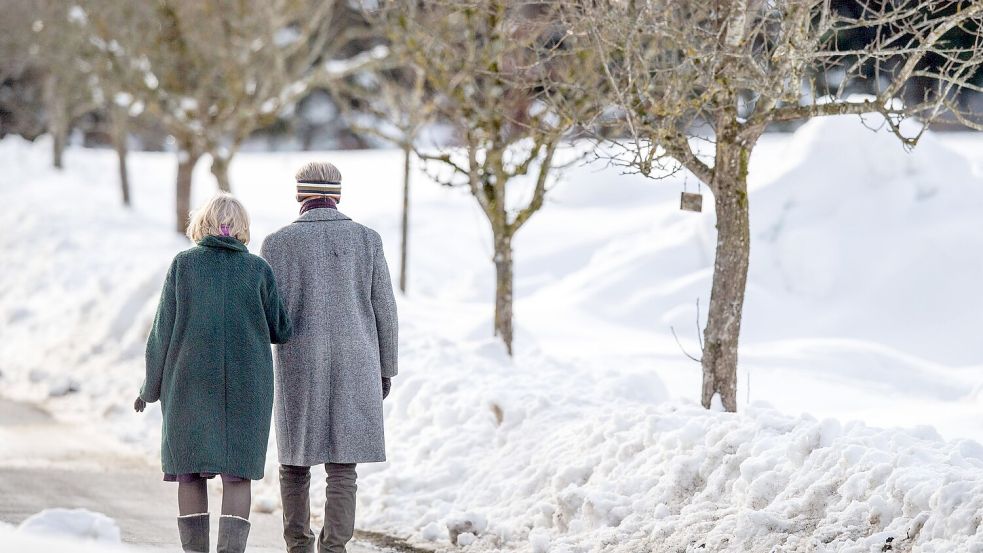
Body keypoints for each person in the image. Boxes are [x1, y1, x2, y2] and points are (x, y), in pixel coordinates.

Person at [135, 193, 292, 553]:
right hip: (247, 388)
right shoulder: (258, 270)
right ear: (242, 228)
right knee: (238, 476)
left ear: (201, 224)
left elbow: (161, 332)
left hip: (189, 385)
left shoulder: (183, 266)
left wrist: (149, 388)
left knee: (189, 473)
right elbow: (281, 330)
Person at [261, 161, 398, 553]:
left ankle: (298, 545)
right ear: (337, 195)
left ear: (300, 195)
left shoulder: (277, 243)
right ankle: (334, 547)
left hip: (298, 364)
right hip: (357, 362)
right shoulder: (367, 240)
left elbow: (270, 313)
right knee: (343, 466)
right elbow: (384, 309)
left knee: (294, 464)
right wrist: (386, 369)